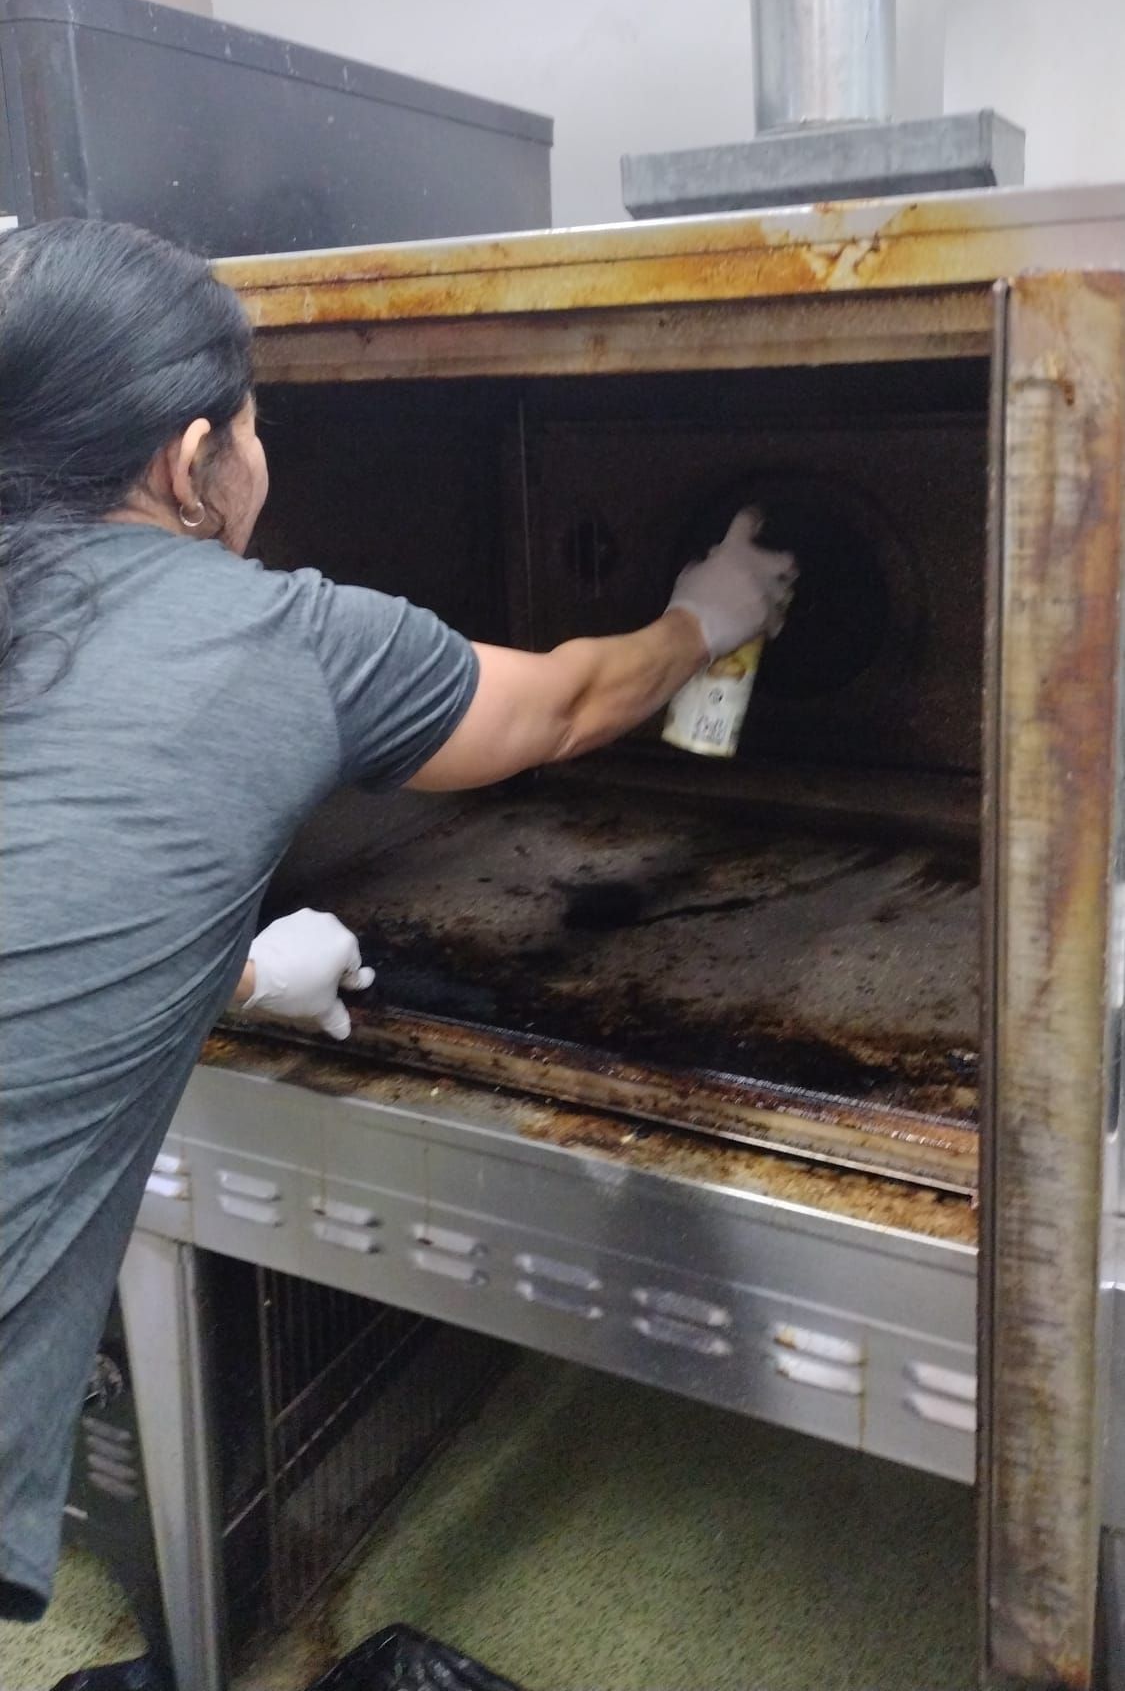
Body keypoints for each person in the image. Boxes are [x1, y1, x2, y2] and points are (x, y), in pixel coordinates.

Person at [0, 219, 795, 1622]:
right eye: (251, 427)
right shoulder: (279, 635)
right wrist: (707, 617)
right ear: (195, 462)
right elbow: (563, 702)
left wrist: (232, 972)